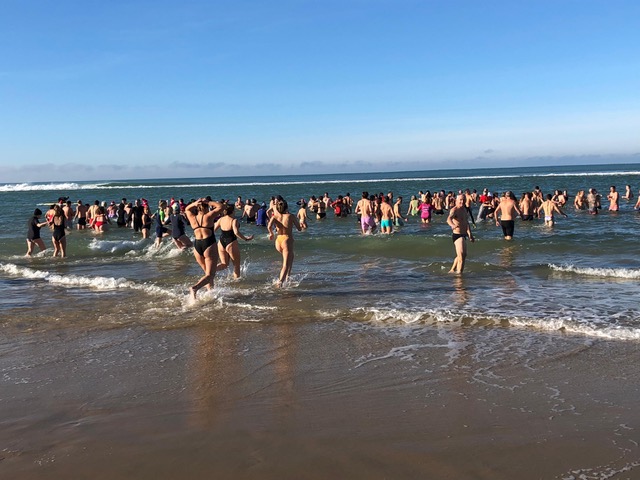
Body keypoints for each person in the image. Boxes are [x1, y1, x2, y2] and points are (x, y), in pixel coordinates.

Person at [185, 198, 225, 299]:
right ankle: (195, 288)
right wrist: (209, 202)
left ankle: (210, 292)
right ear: (207, 207)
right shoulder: (208, 216)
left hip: (197, 246)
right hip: (208, 244)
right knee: (210, 275)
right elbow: (221, 206)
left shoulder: (192, 217)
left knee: (207, 273)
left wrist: (194, 203)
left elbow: (187, 209)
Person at [267, 198, 302, 286]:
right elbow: (299, 229)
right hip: (286, 240)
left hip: (278, 240)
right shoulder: (291, 216)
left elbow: (269, 226)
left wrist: (271, 233)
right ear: (286, 207)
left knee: (291, 257)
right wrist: (301, 225)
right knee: (285, 264)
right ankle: (280, 282)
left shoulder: (275, 217)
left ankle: (287, 277)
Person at [214, 204, 254, 279]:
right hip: (231, 242)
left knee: (224, 264)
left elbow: (213, 229)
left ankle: (210, 271)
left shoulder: (221, 219)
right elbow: (236, 232)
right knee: (236, 266)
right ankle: (237, 282)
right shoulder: (234, 220)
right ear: (233, 211)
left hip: (221, 243)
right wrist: (246, 239)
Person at [447, 195, 474, 273]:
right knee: (461, 256)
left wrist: (470, 234)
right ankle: (459, 275)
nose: (462, 201)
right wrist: (452, 225)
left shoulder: (464, 209)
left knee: (463, 255)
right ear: (456, 200)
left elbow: (466, 223)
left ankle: (452, 270)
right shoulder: (454, 210)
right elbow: (448, 219)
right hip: (457, 235)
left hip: (464, 235)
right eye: (461, 200)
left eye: (464, 200)